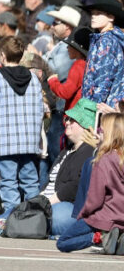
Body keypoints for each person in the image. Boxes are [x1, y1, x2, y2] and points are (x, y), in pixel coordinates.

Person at [0, 35, 45, 232]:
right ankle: (36, 221)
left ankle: (12, 222)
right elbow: (39, 112)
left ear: (1, 54)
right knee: (30, 182)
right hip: (28, 143)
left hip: (4, 143)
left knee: (8, 184)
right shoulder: (33, 79)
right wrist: (36, 142)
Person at [56, 112, 124, 254]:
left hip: (103, 219)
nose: (97, 133)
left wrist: (83, 213)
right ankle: (117, 240)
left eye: (101, 131)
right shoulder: (120, 158)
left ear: (110, 134)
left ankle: (99, 238)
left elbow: (95, 198)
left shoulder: (103, 160)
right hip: (121, 218)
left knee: (62, 243)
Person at [42, 98, 98, 236]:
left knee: (51, 217)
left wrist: (44, 203)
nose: (66, 122)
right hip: (50, 202)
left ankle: (7, 223)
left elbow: (74, 186)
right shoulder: (67, 150)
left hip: (69, 207)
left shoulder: (88, 152)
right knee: (23, 208)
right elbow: (50, 182)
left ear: (85, 125)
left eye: (72, 120)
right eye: (67, 119)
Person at [81, 0, 124, 108]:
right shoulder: (108, 38)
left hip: (101, 108)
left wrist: (89, 108)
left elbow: (103, 78)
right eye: (92, 13)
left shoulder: (106, 41)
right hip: (109, 106)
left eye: (98, 13)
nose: (93, 17)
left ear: (111, 17)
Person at [49, 27, 93, 110]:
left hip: (74, 113)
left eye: (70, 45)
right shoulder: (87, 64)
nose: (67, 48)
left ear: (77, 49)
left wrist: (53, 81)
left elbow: (65, 92)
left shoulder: (78, 65)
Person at [46, 5, 82, 79]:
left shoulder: (69, 46)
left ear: (67, 26)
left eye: (55, 23)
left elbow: (58, 73)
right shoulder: (62, 42)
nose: (52, 26)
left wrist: (50, 52)